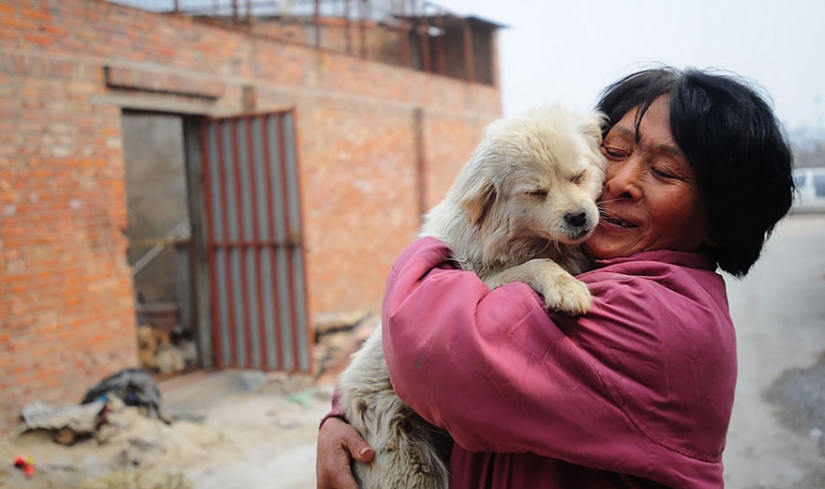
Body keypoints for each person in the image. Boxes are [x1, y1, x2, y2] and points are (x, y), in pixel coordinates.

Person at [316, 66, 796, 489]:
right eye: (614, 151)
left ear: (721, 216)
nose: (619, 182)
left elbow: (433, 357)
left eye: (665, 171)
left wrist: (430, 244)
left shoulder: (659, 320)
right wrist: (345, 416)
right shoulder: (588, 261)